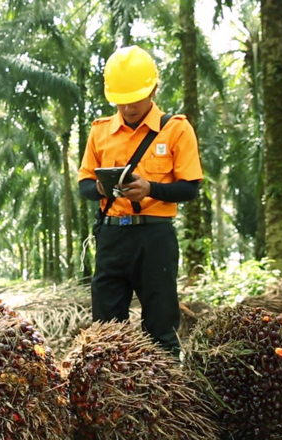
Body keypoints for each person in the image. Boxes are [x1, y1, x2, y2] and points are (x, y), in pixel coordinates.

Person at [78, 45, 203, 356]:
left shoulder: (176, 129)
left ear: (153, 89)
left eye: (134, 100)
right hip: (111, 236)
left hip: (155, 236)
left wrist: (151, 189)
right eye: (121, 101)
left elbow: (189, 188)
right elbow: (84, 185)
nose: (128, 108)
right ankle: (108, 397)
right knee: (106, 332)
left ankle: (169, 396)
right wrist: (103, 190)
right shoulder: (100, 131)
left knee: (161, 327)